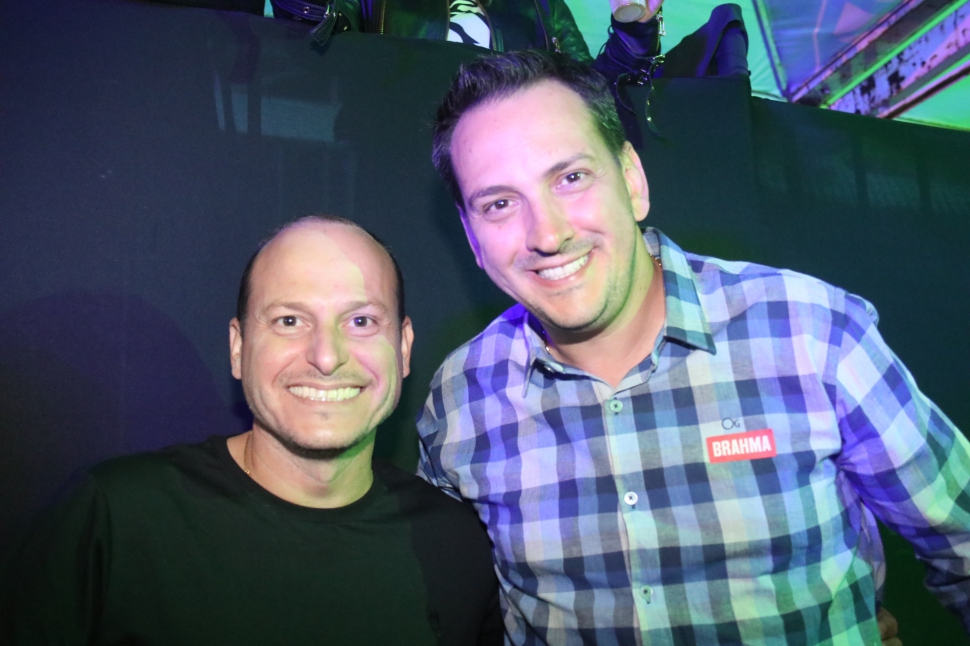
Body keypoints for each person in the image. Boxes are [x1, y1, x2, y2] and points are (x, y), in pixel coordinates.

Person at [417, 50, 970, 644]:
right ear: (472, 237)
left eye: (571, 178)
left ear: (632, 181)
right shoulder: (462, 399)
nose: (547, 233)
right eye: (499, 204)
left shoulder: (809, 331)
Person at [1, 216, 502, 645]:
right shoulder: (118, 518)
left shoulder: (458, 547)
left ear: (404, 348)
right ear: (238, 349)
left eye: (361, 321)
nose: (326, 357)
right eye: (289, 321)